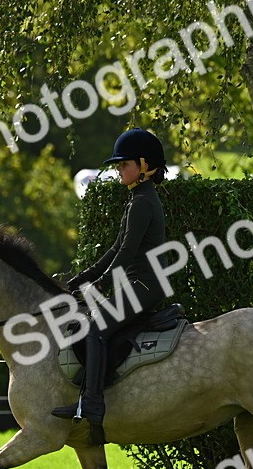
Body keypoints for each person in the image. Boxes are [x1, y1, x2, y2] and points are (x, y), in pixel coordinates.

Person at [51, 128, 169, 445]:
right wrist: (83, 277)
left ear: (144, 166)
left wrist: (100, 284)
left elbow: (127, 254)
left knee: (94, 329)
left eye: (124, 164)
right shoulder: (137, 199)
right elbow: (115, 249)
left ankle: (91, 403)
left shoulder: (143, 202)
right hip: (138, 284)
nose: (118, 169)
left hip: (144, 286)